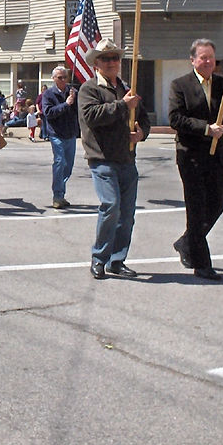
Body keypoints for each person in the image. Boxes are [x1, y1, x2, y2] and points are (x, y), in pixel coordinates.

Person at [169, 38, 223, 281]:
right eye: (203, 58)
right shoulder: (180, 85)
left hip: (218, 155)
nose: (208, 62)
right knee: (196, 210)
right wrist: (206, 129)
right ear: (193, 60)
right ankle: (202, 264)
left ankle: (187, 242)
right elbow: (175, 119)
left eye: (211, 58)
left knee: (216, 205)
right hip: (191, 155)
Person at [78, 39, 151, 280]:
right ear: (96, 63)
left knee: (127, 214)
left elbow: (143, 119)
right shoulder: (89, 89)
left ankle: (117, 260)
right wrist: (122, 105)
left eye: (115, 58)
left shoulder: (127, 88)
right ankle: (99, 258)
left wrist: (141, 134)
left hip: (127, 159)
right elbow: (92, 116)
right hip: (102, 158)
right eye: (105, 59)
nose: (111, 62)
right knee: (111, 206)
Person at [43, 66, 81, 209]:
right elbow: (48, 113)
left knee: (68, 166)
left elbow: (79, 111)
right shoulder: (48, 94)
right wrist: (66, 104)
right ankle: (57, 195)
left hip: (70, 133)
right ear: (53, 79)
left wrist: (74, 100)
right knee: (59, 161)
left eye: (65, 77)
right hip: (56, 134)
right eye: (60, 77)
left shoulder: (73, 92)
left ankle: (61, 193)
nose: (63, 80)